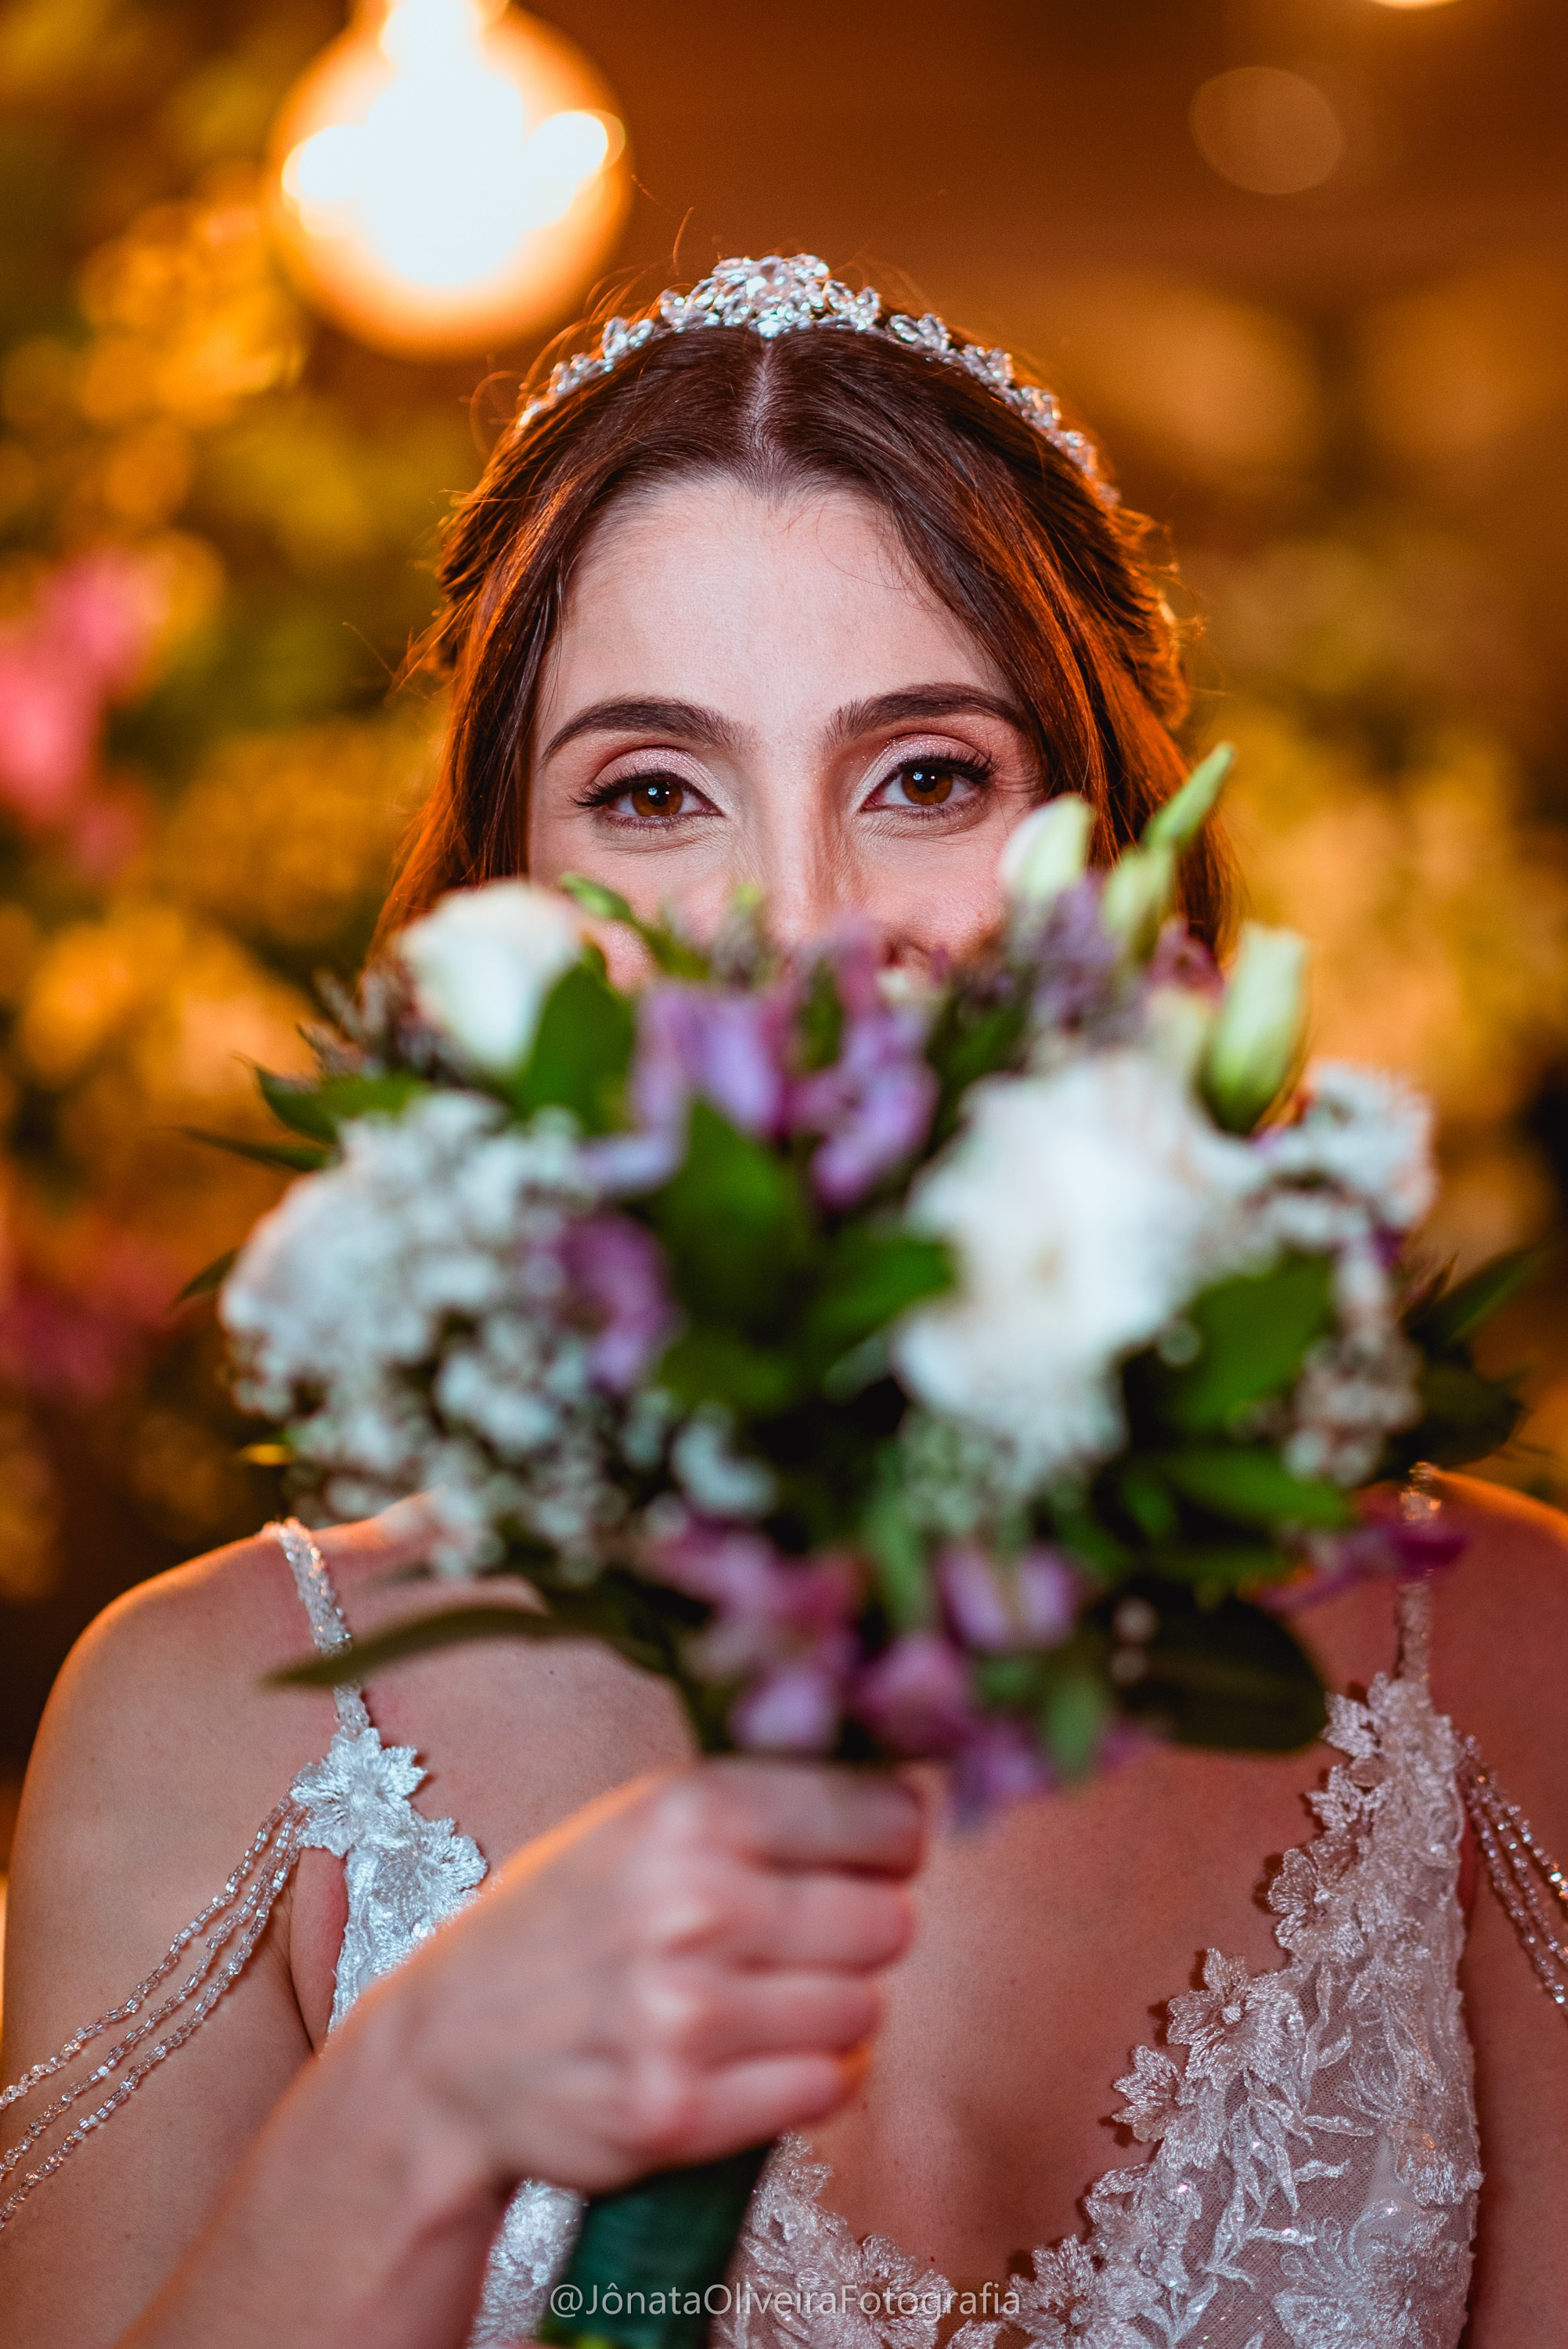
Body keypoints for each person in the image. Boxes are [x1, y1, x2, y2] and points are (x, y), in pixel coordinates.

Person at [3, 254, 1566, 2349]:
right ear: (499, 913)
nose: (806, 932)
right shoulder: (213, 1717)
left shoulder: (1502, 1656)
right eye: (652, 793)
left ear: (1116, 860)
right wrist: (415, 2112)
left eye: (925, 775)